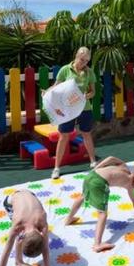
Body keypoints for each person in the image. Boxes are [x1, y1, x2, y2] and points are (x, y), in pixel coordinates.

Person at [65, 156, 134, 252]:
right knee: (102, 213)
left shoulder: (124, 167)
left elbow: (111, 158)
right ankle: (97, 244)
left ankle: (69, 219)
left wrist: (97, 167)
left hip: (91, 175)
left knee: (83, 196)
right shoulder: (129, 183)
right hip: (99, 183)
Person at [0, 189, 51, 266]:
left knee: (24, 236)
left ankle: (20, 260)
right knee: (14, 236)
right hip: (11, 199)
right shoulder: (17, 223)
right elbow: (7, 250)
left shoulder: (42, 217)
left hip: (30, 193)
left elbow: (45, 249)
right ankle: (18, 261)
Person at [51, 46, 97, 178]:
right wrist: (48, 92)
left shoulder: (89, 72)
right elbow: (56, 87)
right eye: (82, 59)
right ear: (76, 56)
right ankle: (56, 168)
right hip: (67, 109)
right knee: (64, 136)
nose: (84, 63)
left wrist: (84, 97)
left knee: (86, 134)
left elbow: (92, 92)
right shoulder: (65, 70)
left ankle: (93, 162)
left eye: (87, 61)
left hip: (84, 108)